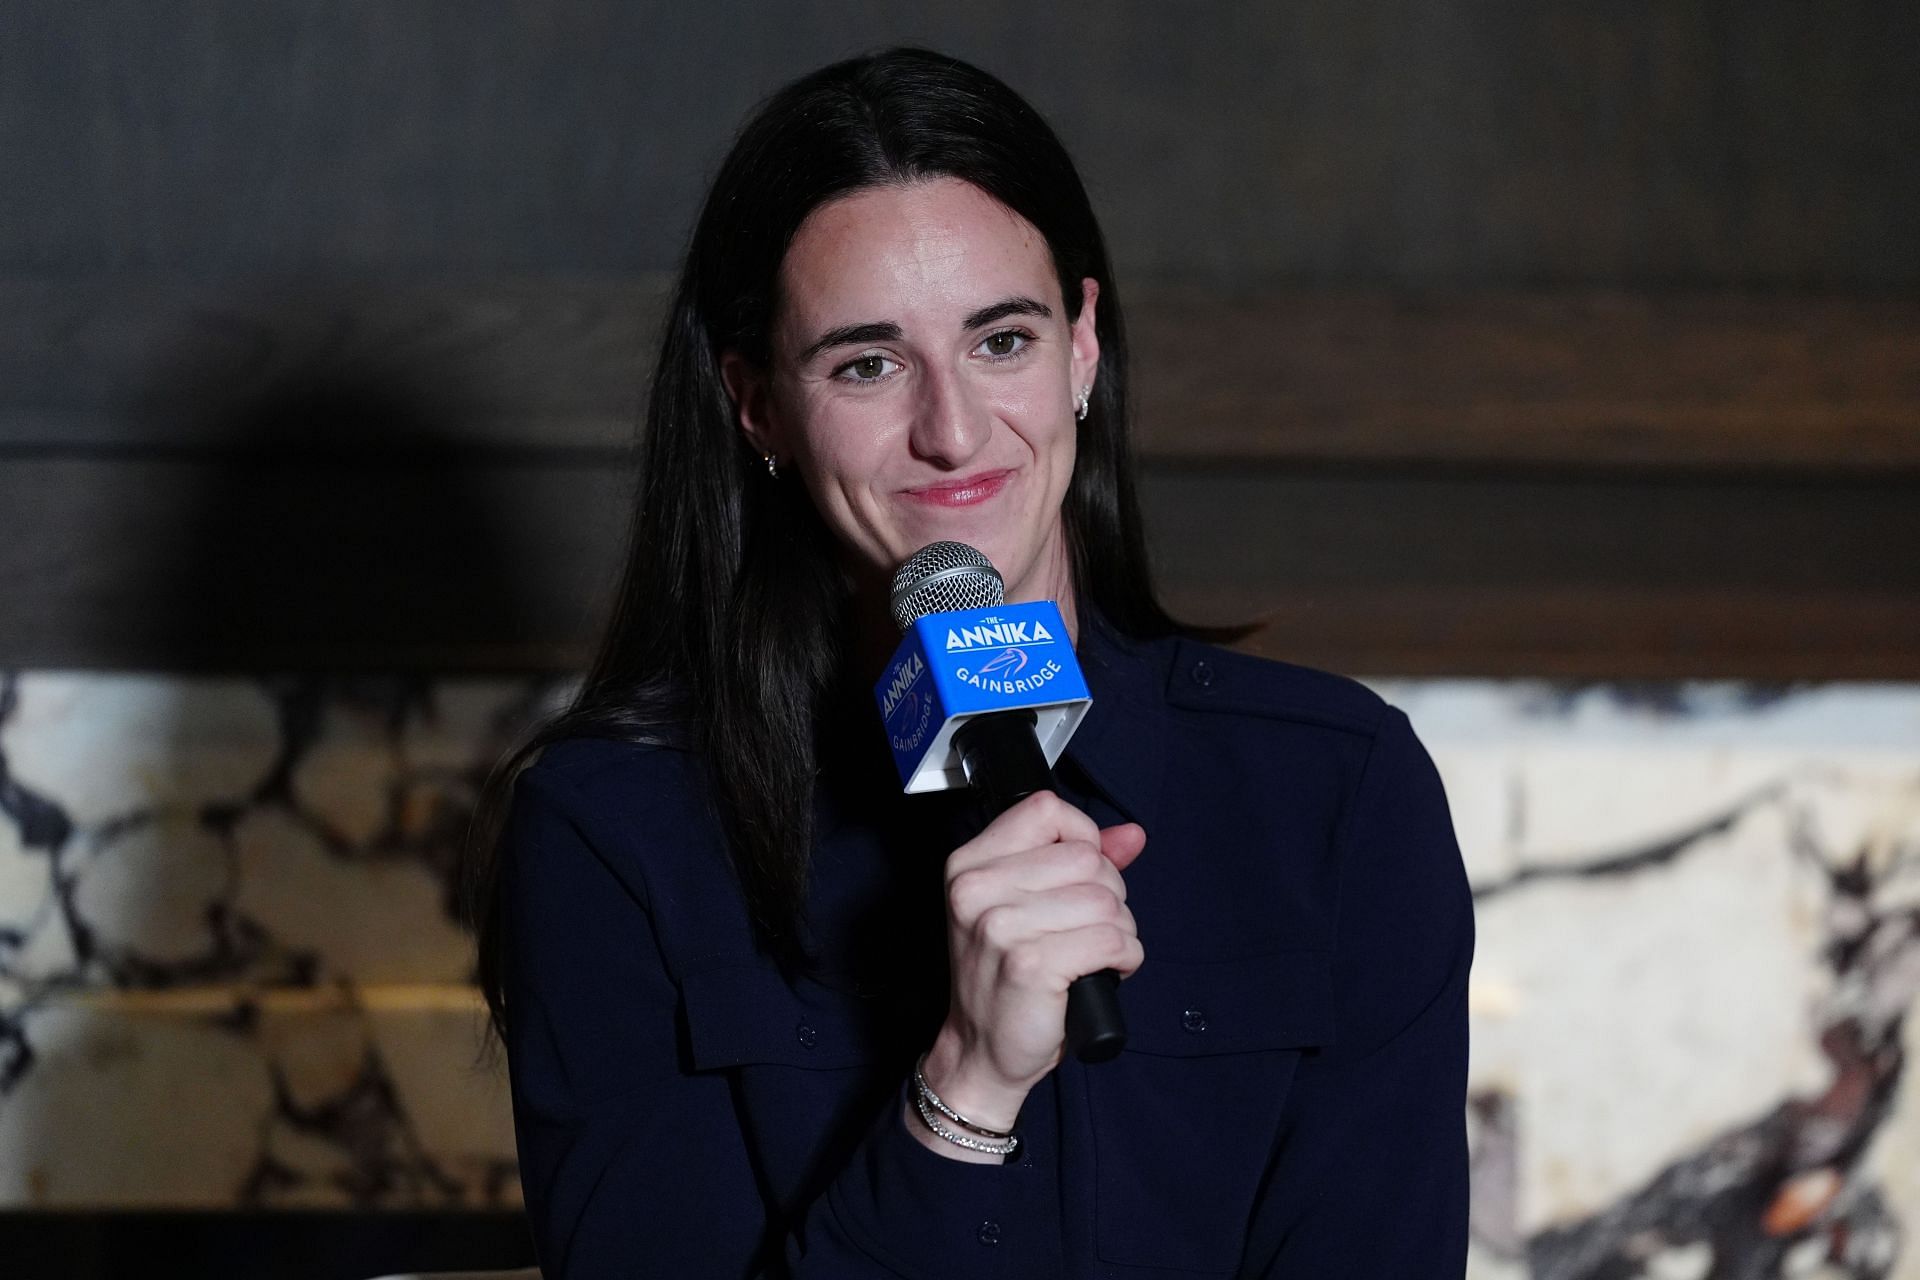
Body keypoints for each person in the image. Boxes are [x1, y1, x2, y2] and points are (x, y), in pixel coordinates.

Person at [464, 45, 1475, 1279]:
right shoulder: (610, 828)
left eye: (1002, 339)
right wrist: (969, 1086)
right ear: (755, 405)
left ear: (1084, 346)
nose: (950, 431)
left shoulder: (1336, 788)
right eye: (867, 363)